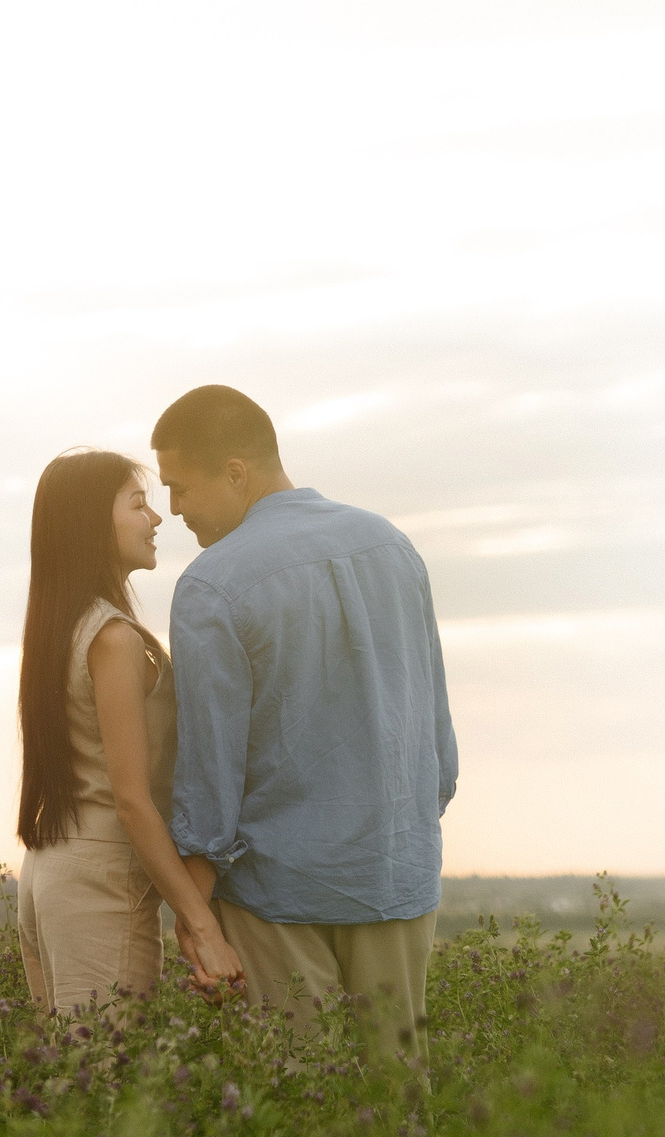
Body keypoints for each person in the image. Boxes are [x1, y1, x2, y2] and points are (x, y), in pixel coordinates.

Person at [152, 385, 457, 1063]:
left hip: (275, 896)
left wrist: (195, 921)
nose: (172, 509)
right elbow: (439, 744)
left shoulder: (211, 585)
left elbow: (210, 783)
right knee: (399, 1107)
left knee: (300, 1118)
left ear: (235, 471)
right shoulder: (394, 547)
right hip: (397, 883)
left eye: (179, 487)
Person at [14, 449, 247, 1012]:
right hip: (98, 884)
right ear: (93, 523)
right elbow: (133, 802)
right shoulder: (113, 639)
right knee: (107, 1088)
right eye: (138, 503)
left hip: (53, 871)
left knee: (74, 1079)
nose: (157, 518)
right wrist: (203, 925)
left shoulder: (64, 625)